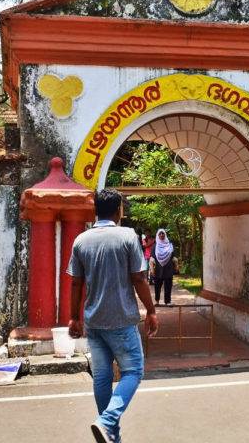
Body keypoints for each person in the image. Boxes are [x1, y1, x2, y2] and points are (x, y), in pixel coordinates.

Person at [67, 189, 159, 443]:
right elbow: (139, 278)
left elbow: (76, 283)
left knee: (103, 376)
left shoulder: (81, 240)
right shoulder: (127, 236)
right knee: (133, 372)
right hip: (121, 320)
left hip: (94, 321)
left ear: (95, 210)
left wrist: (74, 318)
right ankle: (106, 422)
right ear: (119, 210)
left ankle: (110, 435)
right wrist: (151, 310)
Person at [151, 229, 176, 306]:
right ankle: (157, 301)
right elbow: (152, 257)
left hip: (168, 268)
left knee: (168, 285)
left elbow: (173, 256)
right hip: (158, 269)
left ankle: (167, 301)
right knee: (157, 286)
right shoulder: (155, 246)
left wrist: (176, 266)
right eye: (160, 234)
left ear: (165, 235)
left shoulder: (170, 245)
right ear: (157, 236)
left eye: (163, 234)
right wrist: (152, 269)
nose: (161, 235)